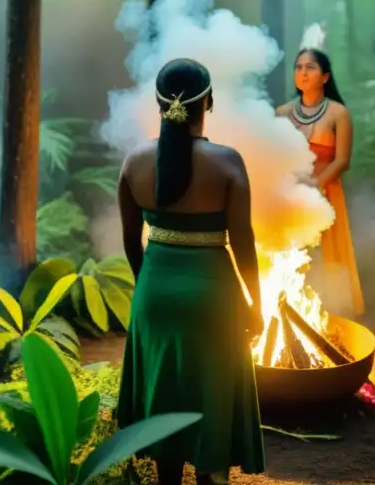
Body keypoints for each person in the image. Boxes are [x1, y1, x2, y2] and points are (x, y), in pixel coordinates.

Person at [116, 58, 266, 485]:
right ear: (209, 103)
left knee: (166, 396)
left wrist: (149, 284)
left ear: (159, 105)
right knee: (210, 394)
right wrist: (256, 304)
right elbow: (243, 243)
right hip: (212, 298)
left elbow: (131, 241)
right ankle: (210, 476)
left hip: (154, 294)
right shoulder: (228, 162)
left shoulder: (134, 162)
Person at [276, 38, 365, 317]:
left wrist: (316, 186)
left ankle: (328, 310)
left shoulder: (339, 113)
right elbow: (275, 156)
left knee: (324, 254)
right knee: (289, 252)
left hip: (325, 191)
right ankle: (287, 307)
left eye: (310, 67)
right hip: (289, 194)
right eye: (298, 67)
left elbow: (342, 160)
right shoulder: (282, 112)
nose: (302, 73)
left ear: (325, 76)